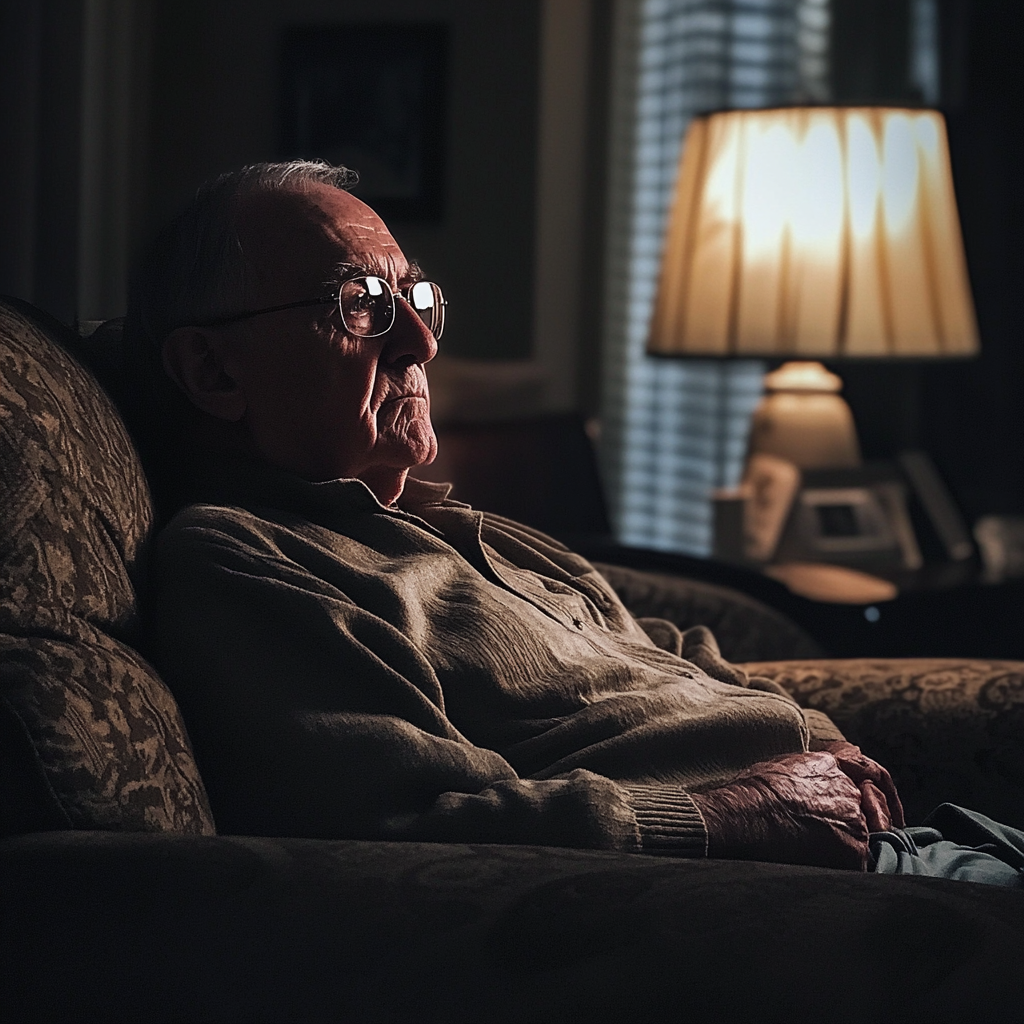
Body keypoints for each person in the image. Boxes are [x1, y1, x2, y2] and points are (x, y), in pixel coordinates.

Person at [128, 161, 1022, 884]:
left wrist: (827, 746)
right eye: (359, 303)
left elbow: (671, 655)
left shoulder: (476, 531)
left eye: (418, 300)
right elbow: (397, 829)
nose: (422, 344)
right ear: (213, 370)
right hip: (774, 894)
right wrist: (729, 818)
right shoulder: (244, 558)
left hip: (911, 840)